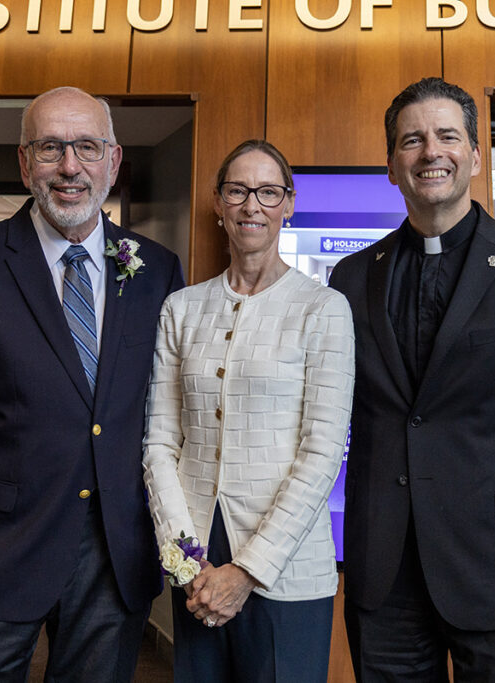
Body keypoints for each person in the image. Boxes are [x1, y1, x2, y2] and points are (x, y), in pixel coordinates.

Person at [329, 77, 495, 681]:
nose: (431, 152)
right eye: (412, 140)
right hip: (385, 572)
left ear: (476, 157)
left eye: (447, 136)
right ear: (391, 165)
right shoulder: (350, 280)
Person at [0, 86, 185, 681]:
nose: (69, 166)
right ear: (24, 161)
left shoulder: (156, 268)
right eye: (51, 147)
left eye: (86, 147)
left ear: (112, 160)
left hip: (114, 553)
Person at [142, 139, 355, 682]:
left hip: (288, 570)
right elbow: (160, 444)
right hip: (197, 568)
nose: (251, 205)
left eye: (267, 191)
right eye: (237, 190)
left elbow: (322, 452)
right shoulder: (181, 308)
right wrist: (186, 562)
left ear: (289, 203)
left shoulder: (324, 309)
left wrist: (247, 571)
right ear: (218, 202)